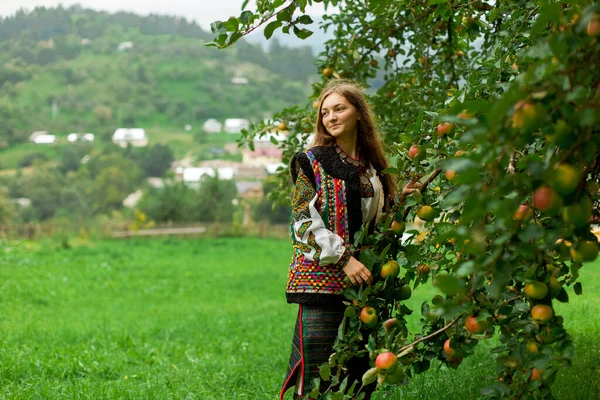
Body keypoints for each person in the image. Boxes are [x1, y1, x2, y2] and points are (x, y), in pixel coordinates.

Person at [280, 80, 403, 400]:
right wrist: (344, 258)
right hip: (321, 280)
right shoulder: (311, 161)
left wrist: (402, 201)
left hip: (363, 283)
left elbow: (376, 221)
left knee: (359, 370)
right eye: (325, 112)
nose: (331, 117)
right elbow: (302, 222)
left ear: (359, 113)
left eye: (339, 109)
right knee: (319, 372)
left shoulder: (373, 167)